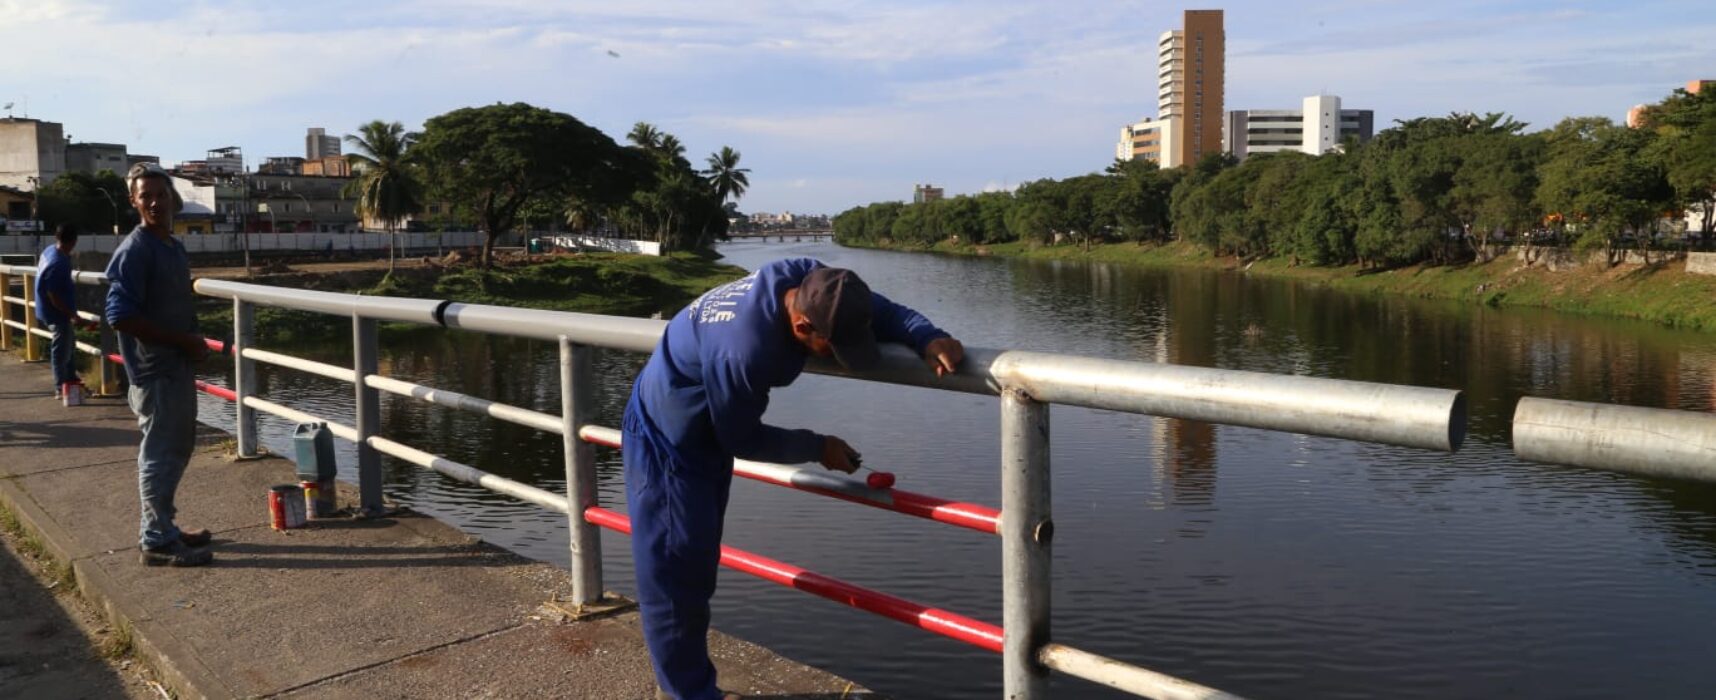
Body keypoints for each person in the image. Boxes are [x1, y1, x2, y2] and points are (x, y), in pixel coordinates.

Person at [624, 258, 963, 700]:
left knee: (697, 566)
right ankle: (689, 694)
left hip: (703, 435)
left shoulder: (810, 278)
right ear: (802, 326)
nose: (841, 355)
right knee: (675, 579)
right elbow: (740, 437)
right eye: (834, 346)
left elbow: (877, 309)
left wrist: (926, 335)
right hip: (668, 444)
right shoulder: (744, 349)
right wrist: (817, 447)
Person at [106, 163, 214, 568]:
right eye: (144, 195)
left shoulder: (170, 244)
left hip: (175, 364)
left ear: (173, 198)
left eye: (160, 193)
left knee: (177, 448)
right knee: (160, 454)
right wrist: (183, 340)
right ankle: (156, 539)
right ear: (133, 202)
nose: (153, 201)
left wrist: (189, 339)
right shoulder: (136, 250)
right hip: (155, 371)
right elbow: (119, 315)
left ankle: (164, 525)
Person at [35, 223, 97, 395]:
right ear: (74, 241)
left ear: (57, 237)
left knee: (68, 345)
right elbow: (53, 294)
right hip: (56, 313)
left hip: (46, 309)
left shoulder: (49, 251)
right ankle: (61, 387)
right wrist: (73, 315)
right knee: (61, 351)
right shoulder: (59, 262)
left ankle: (71, 382)